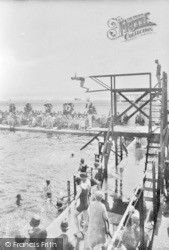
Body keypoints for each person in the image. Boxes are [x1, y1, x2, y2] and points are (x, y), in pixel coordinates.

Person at [74, 172, 90, 239]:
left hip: (82, 204)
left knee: (74, 215)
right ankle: (84, 231)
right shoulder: (85, 184)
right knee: (86, 217)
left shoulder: (79, 187)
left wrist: (75, 199)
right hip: (86, 203)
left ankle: (78, 230)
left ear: (77, 182)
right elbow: (88, 191)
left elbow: (77, 197)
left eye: (75, 183)